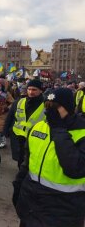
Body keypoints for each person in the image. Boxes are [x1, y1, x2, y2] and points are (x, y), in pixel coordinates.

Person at [13, 88, 85, 227]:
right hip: (31, 205)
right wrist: (18, 187)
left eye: (56, 106)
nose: (50, 110)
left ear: (68, 108)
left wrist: (58, 129)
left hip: (63, 209)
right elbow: (27, 163)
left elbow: (76, 168)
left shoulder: (82, 133)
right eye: (47, 106)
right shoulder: (39, 127)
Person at [4, 79, 45, 168]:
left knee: (34, 160)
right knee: (21, 160)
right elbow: (10, 116)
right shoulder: (19, 101)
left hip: (37, 138)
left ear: (40, 90)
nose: (31, 92)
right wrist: (6, 131)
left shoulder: (46, 104)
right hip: (18, 137)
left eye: (34, 90)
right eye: (29, 89)